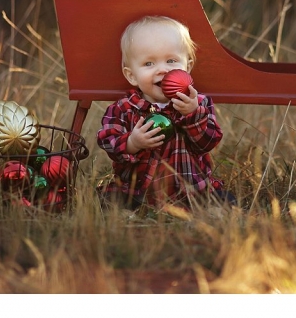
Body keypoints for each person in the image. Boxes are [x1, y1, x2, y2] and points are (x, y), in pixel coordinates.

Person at [97, 15, 227, 207]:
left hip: (192, 191)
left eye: (171, 60)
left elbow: (208, 142)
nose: (162, 70)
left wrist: (192, 115)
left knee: (225, 202)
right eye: (149, 64)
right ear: (132, 76)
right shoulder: (124, 108)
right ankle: (132, 211)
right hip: (138, 192)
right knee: (110, 202)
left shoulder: (198, 103)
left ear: (187, 67)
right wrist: (132, 143)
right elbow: (107, 141)